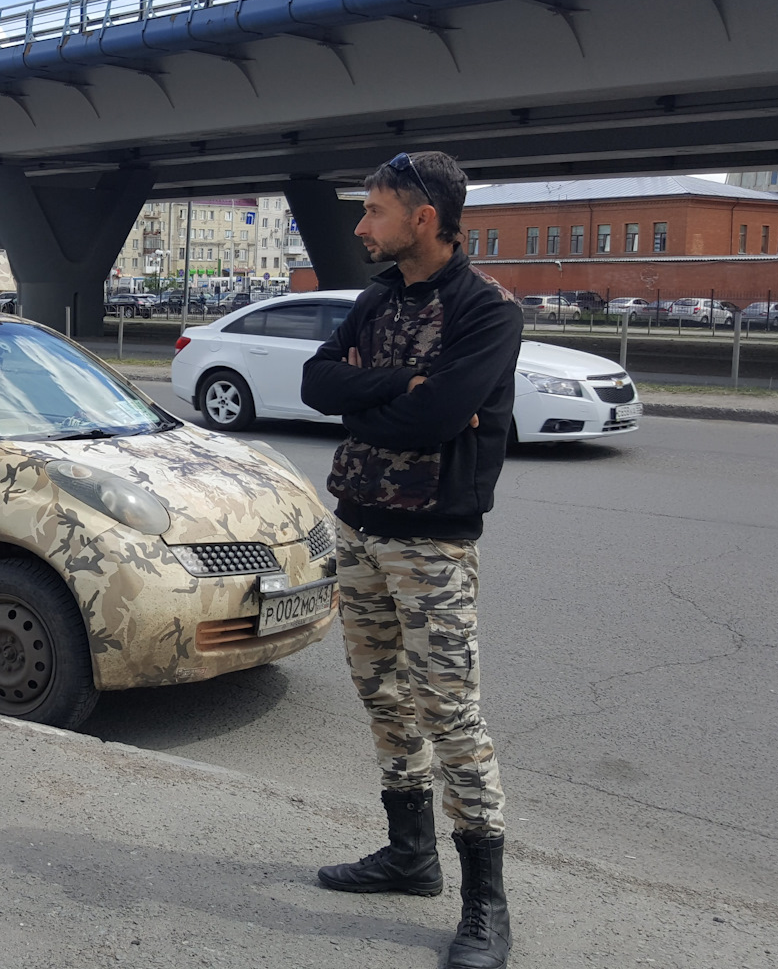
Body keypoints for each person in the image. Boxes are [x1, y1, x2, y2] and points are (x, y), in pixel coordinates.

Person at [300, 151, 522, 969]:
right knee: (382, 696)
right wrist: (402, 384)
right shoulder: (377, 298)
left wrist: (383, 400)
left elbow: (441, 418)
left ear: (423, 218)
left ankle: (487, 907)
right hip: (358, 525)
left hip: (433, 540)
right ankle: (409, 855)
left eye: (375, 211)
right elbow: (318, 384)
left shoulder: (487, 311)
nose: (361, 226)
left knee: (451, 717)